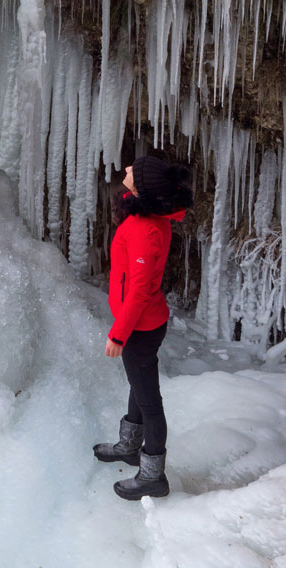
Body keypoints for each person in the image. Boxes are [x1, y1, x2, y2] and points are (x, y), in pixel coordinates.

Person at [93, 153, 193, 500]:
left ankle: (153, 474)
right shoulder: (142, 215)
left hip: (139, 327)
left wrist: (119, 334)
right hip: (141, 323)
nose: (129, 169)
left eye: (137, 170)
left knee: (149, 400)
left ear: (146, 188)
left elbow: (138, 290)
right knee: (138, 385)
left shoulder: (148, 230)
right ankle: (129, 445)